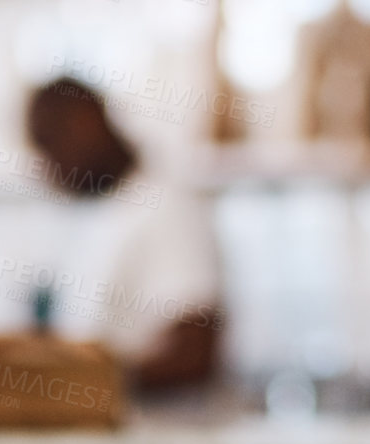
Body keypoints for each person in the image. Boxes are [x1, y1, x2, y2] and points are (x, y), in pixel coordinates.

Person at [23, 77, 224, 391]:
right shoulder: (91, 214)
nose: (47, 168)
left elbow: (194, 348)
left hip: (155, 430)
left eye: (49, 147)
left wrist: (90, 383)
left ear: (84, 125)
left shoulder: (165, 205)